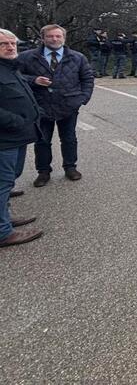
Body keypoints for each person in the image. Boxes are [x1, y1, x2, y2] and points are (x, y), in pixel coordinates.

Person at [17, 24, 94, 187]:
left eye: (58, 36)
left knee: (69, 139)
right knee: (42, 141)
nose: (55, 39)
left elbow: (87, 79)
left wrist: (82, 99)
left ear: (64, 38)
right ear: (43, 38)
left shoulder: (77, 57)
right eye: (51, 36)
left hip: (68, 105)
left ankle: (70, 167)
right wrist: (34, 80)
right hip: (40, 106)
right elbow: (16, 76)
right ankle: (43, 172)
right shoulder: (26, 57)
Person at [0, 28, 44, 247]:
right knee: (2, 183)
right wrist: (16, 121)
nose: (10, 47)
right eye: (3, 44)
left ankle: (4, 219)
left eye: (13, 44)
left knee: (9, 180)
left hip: (17, 137)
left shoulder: (11, 68)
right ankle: (2, 232)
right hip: (5, 138)